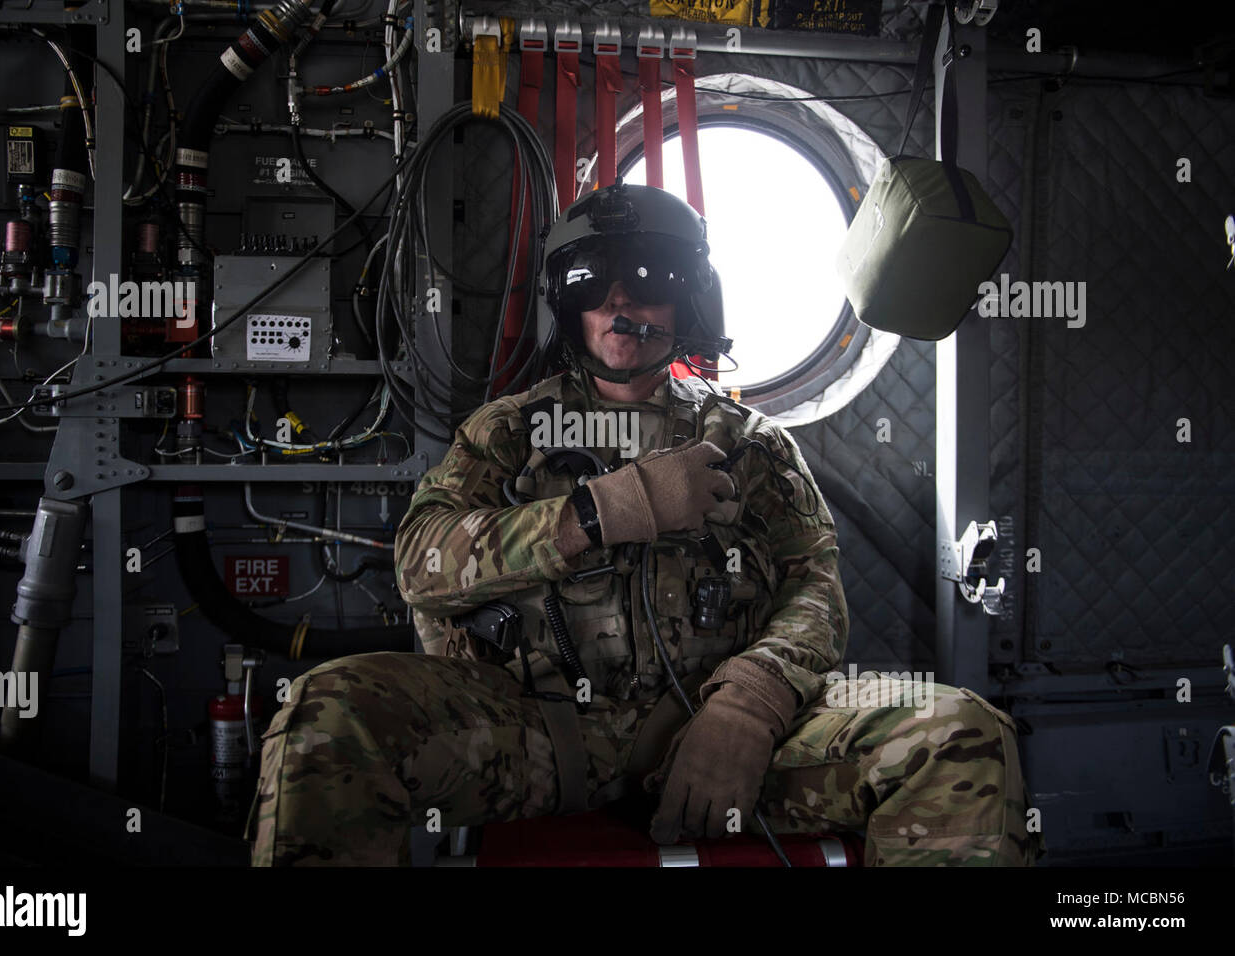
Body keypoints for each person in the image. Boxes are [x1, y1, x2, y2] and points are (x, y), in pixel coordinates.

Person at [247, 183, 1044, 866]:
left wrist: (748, 706)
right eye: (594, 282)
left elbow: (815, 589)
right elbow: (421, 563)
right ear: (567, 301)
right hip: (531, 731)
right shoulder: (507, 432)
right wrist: (599, 514)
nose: (622, 300)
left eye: (653, 277)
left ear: (688, 296)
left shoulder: (752, 443)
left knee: (958, 734)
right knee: (329, 711)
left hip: (716, 731)